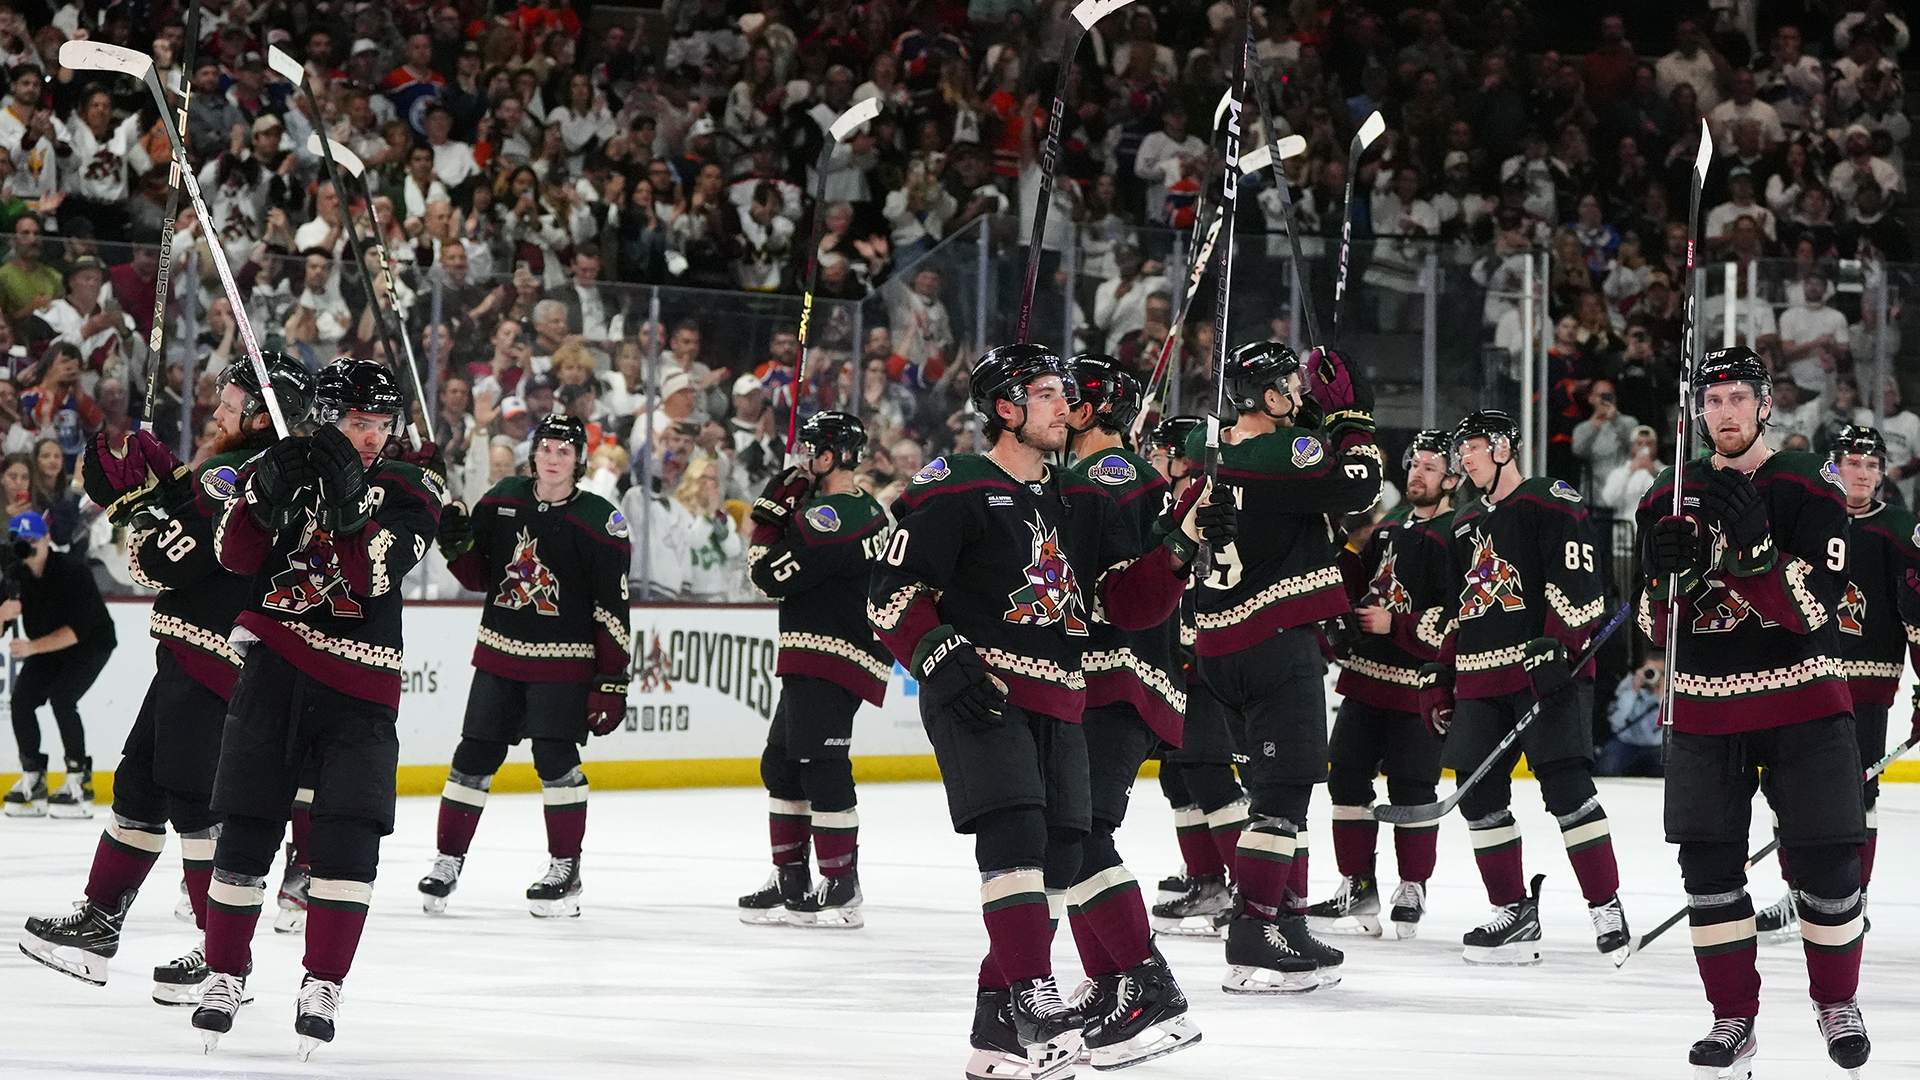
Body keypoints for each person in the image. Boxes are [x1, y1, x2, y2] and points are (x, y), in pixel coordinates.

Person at [867, 344, 1208, 1077]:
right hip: (983, 691)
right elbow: (888, 590)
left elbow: (1121, 604)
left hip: (1061, 696)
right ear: (1006, 408)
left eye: (1065, 393)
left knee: (1062, 848)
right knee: (1018, 834)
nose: (1065, 404)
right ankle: (1031, 991)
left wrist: (1180, 548)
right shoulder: (952, 483)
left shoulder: (1059, 499)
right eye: (1049, 393)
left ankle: (996, 1035)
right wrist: (937, 654)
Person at [17, 357, 311, 1002]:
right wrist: (175, 484)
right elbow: (205, 528)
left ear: (263, 415)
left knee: (193, 801)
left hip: (211, 661)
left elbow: (154, 566)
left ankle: (219, 956)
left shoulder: (241, 473)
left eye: (231, 406)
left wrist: (141, 500)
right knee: (142, 785)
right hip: (196, 656)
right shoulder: (268, 471)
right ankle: (100, 919)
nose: (218, 412)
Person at [192, 359, 441, 1057]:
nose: (370, 437)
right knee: (243, 830)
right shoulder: (284, 462)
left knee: (348, 838)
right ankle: (223, 974)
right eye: (357, 424)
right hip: (273, 673)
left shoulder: (414, 484)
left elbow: (373, 572)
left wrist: (346, 496)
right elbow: (236, 557)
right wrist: (261, 497)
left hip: (361, 692)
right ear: (325, 417)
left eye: (380, 425)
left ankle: (323, 981)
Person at [1637, 346, 1867, 1078]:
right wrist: (1666, 576)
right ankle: (1733, 1019)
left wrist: (1754, 549)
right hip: (1705, 711)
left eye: (1740, 398)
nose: (1725, 412)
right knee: (1708, 873)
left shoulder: (1809, 486)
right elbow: (1654, 628)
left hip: (1803, 699)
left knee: (1830, 866)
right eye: (1713, 400)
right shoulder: (1665, 496)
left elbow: (1811, 612)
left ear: (1767, 405)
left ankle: (1837, 1002)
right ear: (1696, 411)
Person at [1184, 342, 1382, 993]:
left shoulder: (1214, 455)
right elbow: (1362, 487)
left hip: (1221, 648)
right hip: (1272, 642)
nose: (1300, 395)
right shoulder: (1284, 451)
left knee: (1279, 789)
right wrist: (1351, 415)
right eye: (1291, 387)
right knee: (1283, 793)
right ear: (1268, 396)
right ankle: (1253, 932)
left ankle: (1288, 922)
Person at [1429, 409, 1625, 965]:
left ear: (1503, 448)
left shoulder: (1549, 498)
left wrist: (1556, 643)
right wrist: (1443, 674)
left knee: (1566, 788)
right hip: (1482, 678)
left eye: (1472, 448)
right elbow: (1459, 610)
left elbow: (1583, 578)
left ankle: (1605, 905)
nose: (1463, 459)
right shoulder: (1463, 524)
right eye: (1459, 451)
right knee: (1479, 795)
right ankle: (1513, 910)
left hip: (1546, 675)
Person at [418, 413, 630, 918]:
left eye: (564, 451)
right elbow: (477, 577)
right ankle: (447, 861)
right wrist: (455, 541)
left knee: (556, 762)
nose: (554, 458)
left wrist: (612, 681)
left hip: (565, 665)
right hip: (499, 655)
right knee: (472, 758)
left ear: (579, 460)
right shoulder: (503, 498)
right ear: (533, 453)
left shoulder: (601, 522)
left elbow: (612, 612)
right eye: (547, 448)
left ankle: (565, 867)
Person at [1056, 354, 1200, 1066]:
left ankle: (1149, 987)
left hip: (1112, 682)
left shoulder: (1095, 481)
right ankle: (1113, 980)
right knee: (1071, 834)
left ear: (1087, 411)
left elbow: (1104, 597)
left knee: (1079, 835)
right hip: (1125, 683)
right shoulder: (1112, 477)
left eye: (1060, 398)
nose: (1052, 409)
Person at [736, 412, 890, 929]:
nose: (805, 459)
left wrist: (770, 513)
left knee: (820, 767)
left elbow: (765, 575)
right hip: (823, 653)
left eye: (812, 450)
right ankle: (792, 879)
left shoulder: (831, 519)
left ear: (832, 455)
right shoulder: (857, 507)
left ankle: (842, 884)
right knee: (781, 765)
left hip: (831, 654)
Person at [1306, 429, 1454, 940]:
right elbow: (1357, 583)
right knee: (1345, 779)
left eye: (1431, 467)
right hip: (1366, 681)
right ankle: (1358, 882)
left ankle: (1413, 886)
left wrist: (1402, 626)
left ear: (1452, 479)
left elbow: (1461, 612)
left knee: (1413, 788)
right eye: (1414, 464)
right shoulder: (1390, 528)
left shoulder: (1458, 534)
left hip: (1420, 685)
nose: (1417, 473)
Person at [1145, 415, 1251, 939]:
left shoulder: (1215, 504)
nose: (1151, 461)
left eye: (1159, 453)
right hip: (1179, 662)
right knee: (1178, 775)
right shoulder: (1176, 505)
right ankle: (1208, 880)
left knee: (1208, 774)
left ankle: (1251, 893)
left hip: (1210, 658)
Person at [0, 508, 116, 817]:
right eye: (20, 541)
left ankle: (79, 779)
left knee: (63, 698)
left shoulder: (72, 571)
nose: (27, 546)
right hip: (45, 648)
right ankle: (33, 776)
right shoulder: (14, 574)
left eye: (32, 539)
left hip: (89, 645)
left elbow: (77, 631)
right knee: (22, 700)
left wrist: (30, 647)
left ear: (47, 538)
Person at [1595, 655, 1664, 777]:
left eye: (1661, 672)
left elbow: (1666, 727)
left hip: (1657, 747)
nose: (1654, 676)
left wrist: (1662, 698)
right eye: (1650, 671)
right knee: (1606, 769)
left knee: (1671, 775)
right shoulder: (1629, 684)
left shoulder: (1672, 690)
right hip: (1627, 743)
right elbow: (1616, 721)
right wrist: (1633, 691)